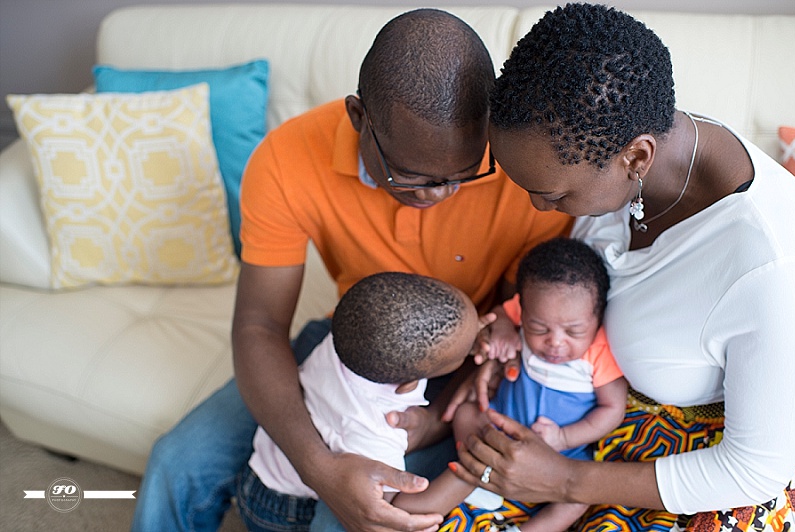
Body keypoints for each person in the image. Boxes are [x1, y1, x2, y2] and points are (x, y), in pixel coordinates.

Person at [131, 8, 572, 532]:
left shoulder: (521, 167)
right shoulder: (287, 157)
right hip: (355, 340)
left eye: (464, 174)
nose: (440, 194)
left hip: (462, 355)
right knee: (176, 462)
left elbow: (516, 317)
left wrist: (438, 419)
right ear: (359, 116)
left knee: (347, 519)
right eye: (411, 176)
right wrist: (318, 467)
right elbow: (258, 325)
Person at [447, 4, 795, 531]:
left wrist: (563, 480)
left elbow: (753, 471)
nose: (537, 210)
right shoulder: (612, 134)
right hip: (575, 415)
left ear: (636, 158)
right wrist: (518, 345)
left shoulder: (768, 268)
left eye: (551, 195)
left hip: (697, 472)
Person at [393, 237, 626, 532]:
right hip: (498, 434)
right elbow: (503, 313)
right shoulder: (531, 309)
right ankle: (477, 480)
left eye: (574, 331)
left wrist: (564, 438)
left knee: (577, 501)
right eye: (538, 328)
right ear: (524, 311)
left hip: (559, 455)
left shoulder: (599, 352)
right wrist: (502, 329)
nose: (555, 341)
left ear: (597, 318)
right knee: (465, 414)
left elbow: (612, 409)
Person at [237, 272, 486, 531]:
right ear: (410, 383)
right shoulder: (377, 432)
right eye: (467, 350)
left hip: (265, 460)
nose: (479, 335)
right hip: (282, 508)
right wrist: (472, 474)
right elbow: (393, 511)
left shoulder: (353, 336)